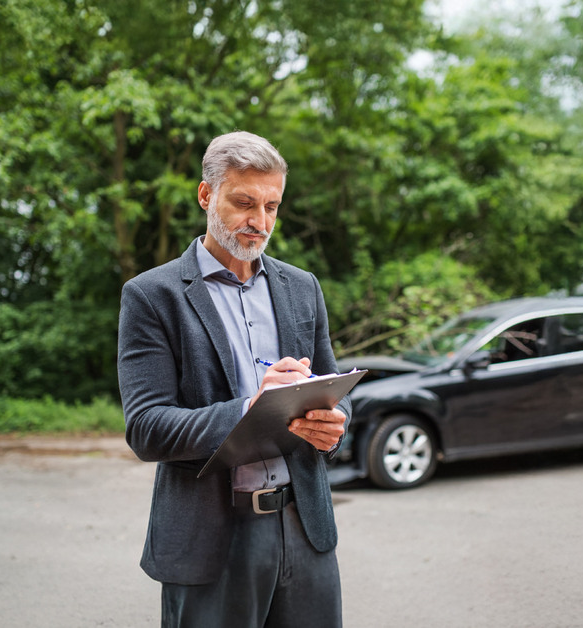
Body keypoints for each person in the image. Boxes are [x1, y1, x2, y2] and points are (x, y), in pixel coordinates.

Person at [117, 131, 350, 627]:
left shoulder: (302, 287)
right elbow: (146, 427)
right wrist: (251, 408)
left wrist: (335, 424)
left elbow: (334, 391)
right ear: (206, 195)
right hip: (209, 540)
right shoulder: (151, 296)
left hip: (304, 529)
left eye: (272, 206)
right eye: (244, 203)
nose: (259, 222)